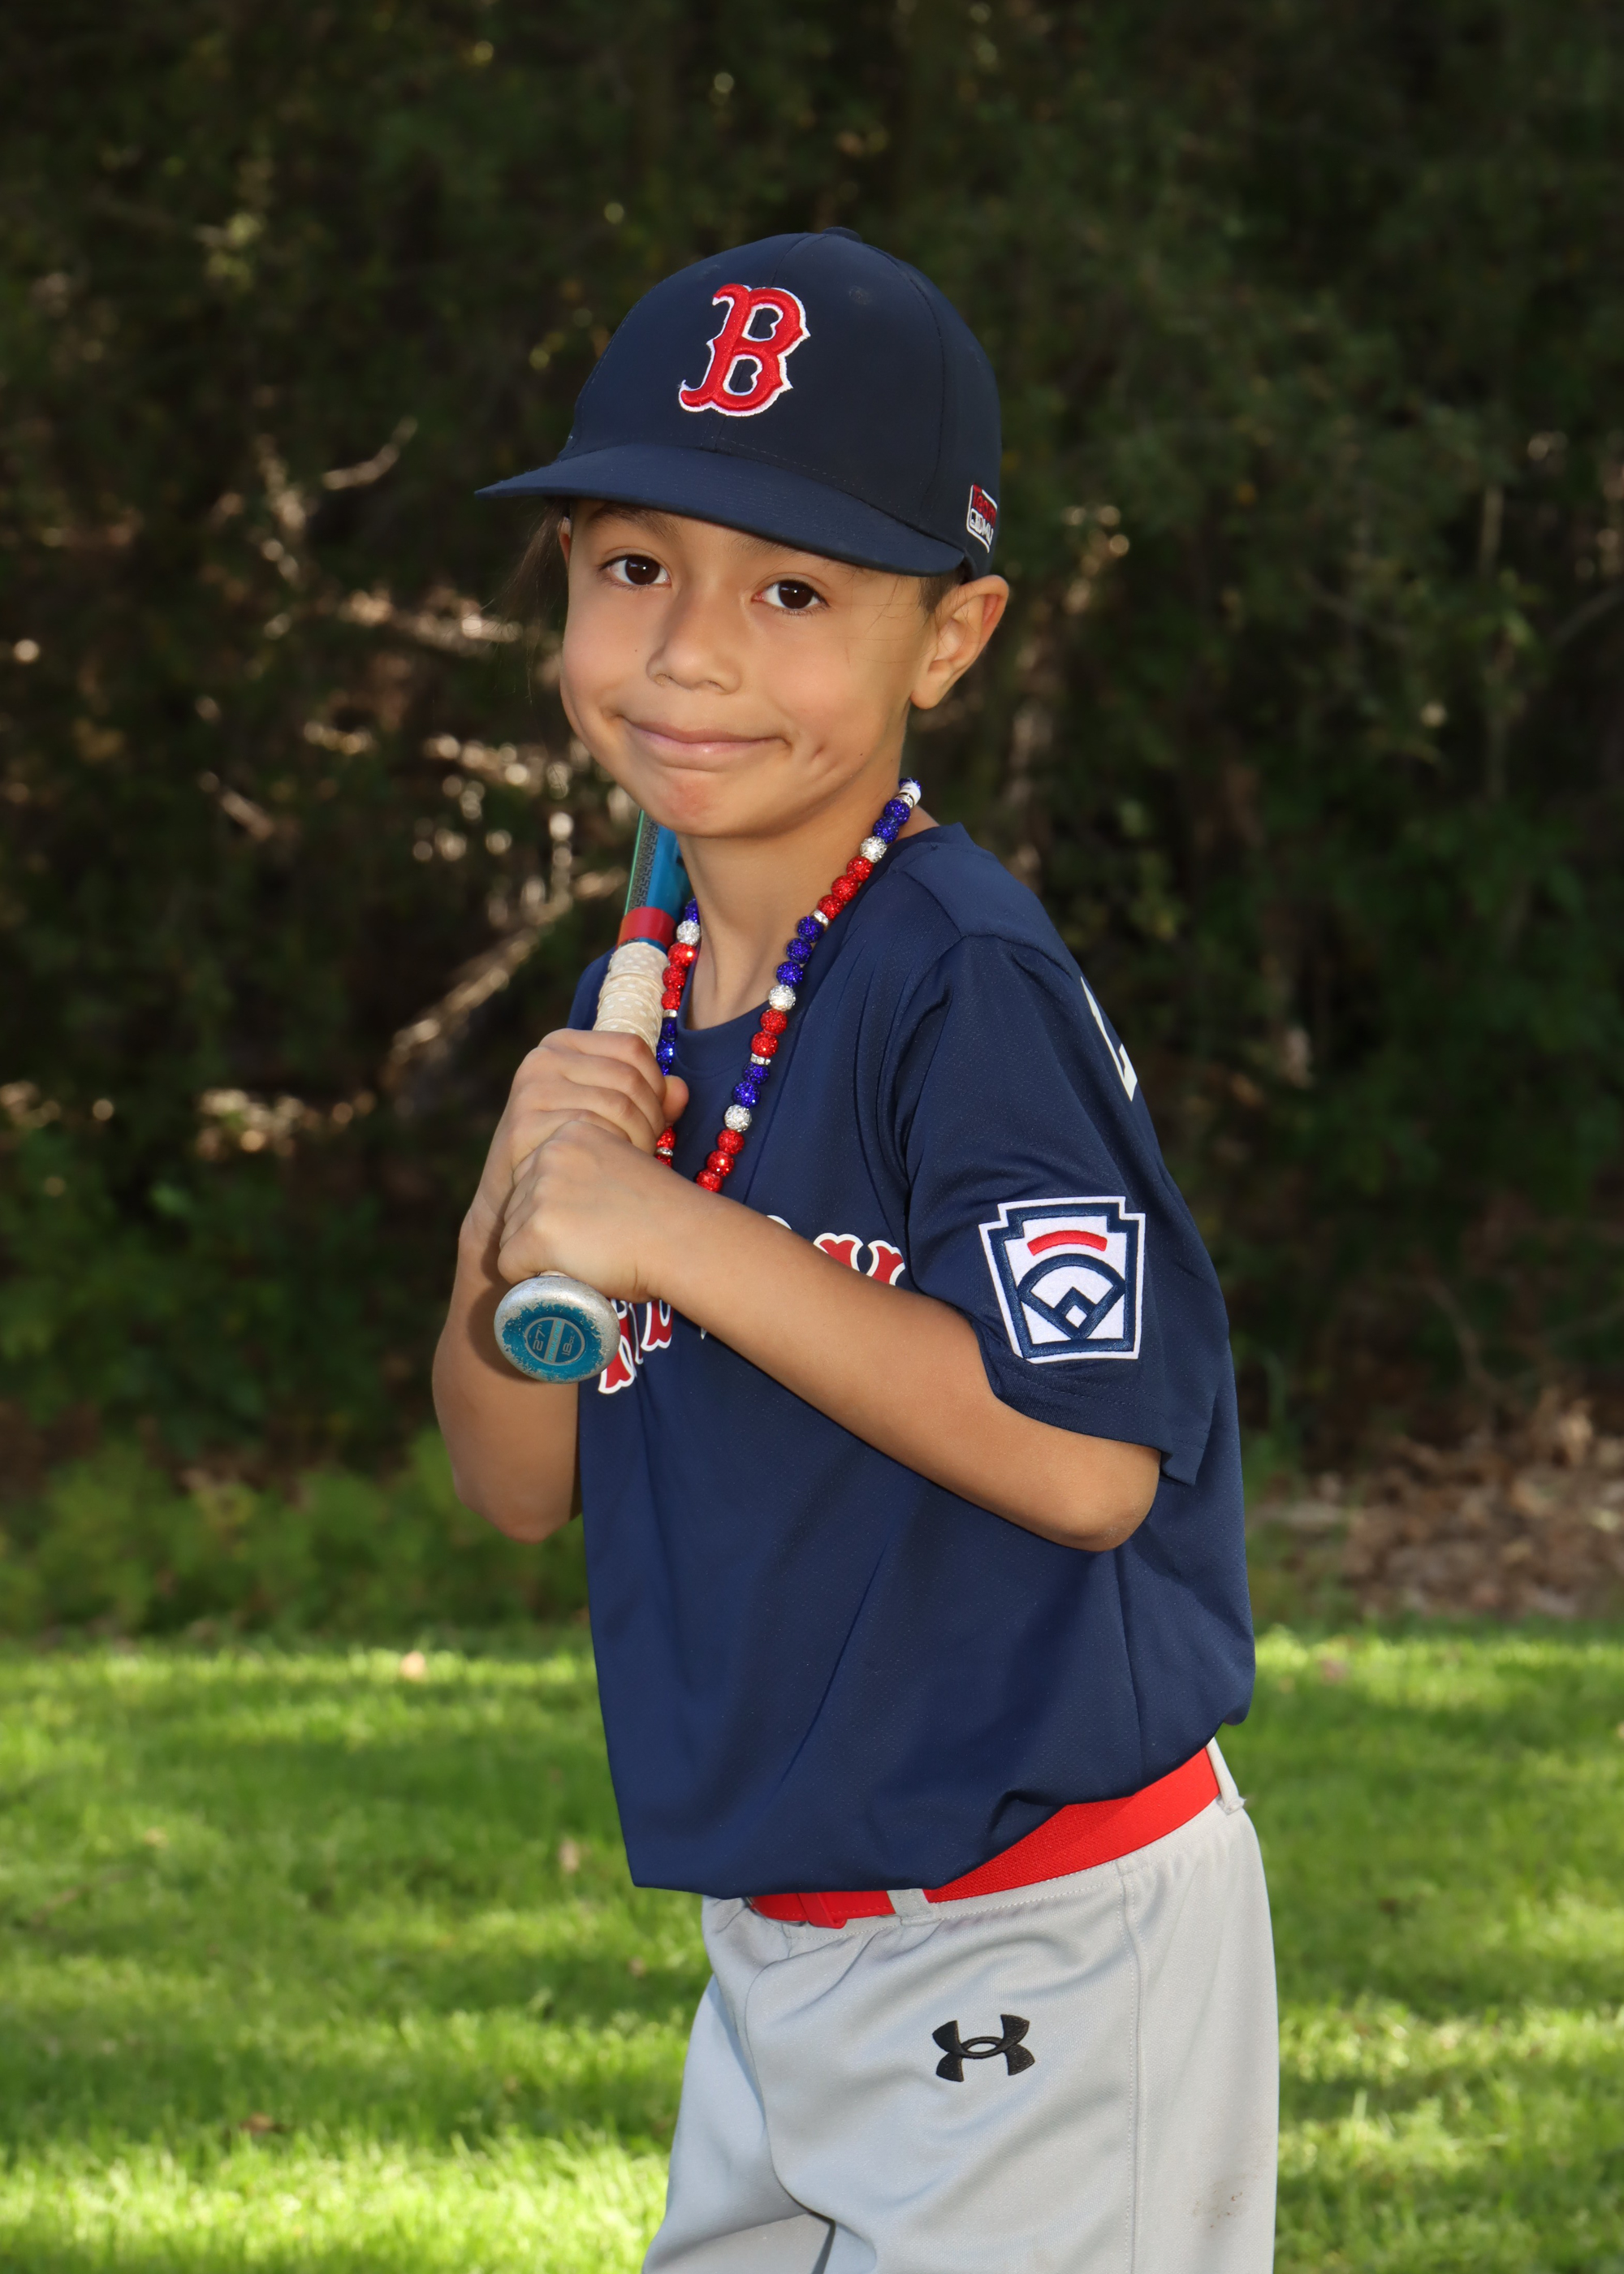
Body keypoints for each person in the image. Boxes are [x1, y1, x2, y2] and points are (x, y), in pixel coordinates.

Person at [433, 227, 1277, 2273]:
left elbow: (1086, 1458)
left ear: (952, 633)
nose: (689, 651)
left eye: (793, 590)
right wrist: (509, 1219)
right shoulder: (646, 1008)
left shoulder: (960, 979)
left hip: (1039, 1932)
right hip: (788, 1941)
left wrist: (672, 1228)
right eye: (635, 565)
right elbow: (515, 1479)